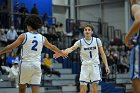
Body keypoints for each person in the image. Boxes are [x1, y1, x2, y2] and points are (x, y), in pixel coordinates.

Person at [0, 15, 67, 93]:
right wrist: (61, 53)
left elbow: (10, 47)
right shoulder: (42, 38)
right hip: (36, 65)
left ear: (28, 25)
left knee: (22, 90)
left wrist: (1, 52)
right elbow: (52, 47)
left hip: (25, 65)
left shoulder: (23, 36)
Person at [55, 24, 110, 93]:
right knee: (83, 90)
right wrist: (61, 52)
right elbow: (71, 49)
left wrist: (106, 66)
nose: (87, 31)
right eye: (85, 30)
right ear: (83, 32)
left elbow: (102, 54)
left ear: (92, 32)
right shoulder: (80, 42)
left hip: (95, 66)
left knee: (95, 90)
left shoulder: (97, 40)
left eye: (89, 30)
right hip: (85, 66)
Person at [124, 0, 140, 93]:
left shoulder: (135, 6)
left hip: (138, 47)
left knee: (136, 78)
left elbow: (139, 20)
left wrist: (127, 37)